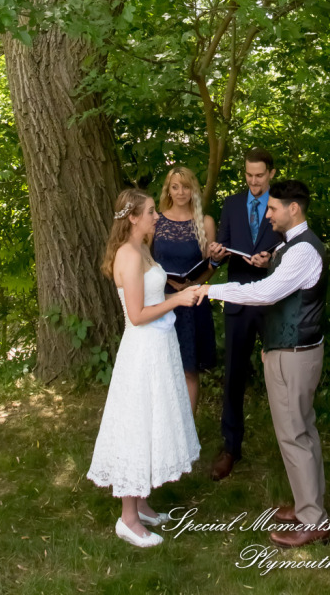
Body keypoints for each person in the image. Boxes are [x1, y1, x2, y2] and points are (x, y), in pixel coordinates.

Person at [199, 179, 330, 548]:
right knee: (303, 430)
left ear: (294, 209)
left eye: (273, 208)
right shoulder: (293, 247)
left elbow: (266, 293)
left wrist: (211, 290)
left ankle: (313, 520)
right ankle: (310, 504)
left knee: (294, 434)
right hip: (290, 350)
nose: (267, 213)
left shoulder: (303, 251)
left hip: (294, 355)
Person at [87, 188, 201, 549]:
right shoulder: (129, 254)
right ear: (133, 218)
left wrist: (182, 295)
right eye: (151, 212)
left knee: (153, 420)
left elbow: (152, 299)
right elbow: (136, 316)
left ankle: (143, 503)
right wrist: (179, 300)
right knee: (137, 423)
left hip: (159, 345)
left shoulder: (142, 250)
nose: (157, 217)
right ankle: (128, 518)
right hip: (142, 349)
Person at [206, 148, 282, 480]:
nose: (253, 181)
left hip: (272, 303)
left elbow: (296, 250)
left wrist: (272, 262)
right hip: (238, 302)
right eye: (249, 175)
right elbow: (220, 249)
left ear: (272, 174)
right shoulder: (232, 204)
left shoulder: (283, 206)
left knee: (280, 375)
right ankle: (230, 447)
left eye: (260, 176)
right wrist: (216, 253)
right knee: (234, 376)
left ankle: (288, 447)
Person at [152, 166, 217, 414]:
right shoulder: (156, 220)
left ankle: (188, 429)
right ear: (168, 189)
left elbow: (211, 266)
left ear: (193, 190)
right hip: (162, 299)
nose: (180, 192)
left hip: (192, 300)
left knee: (189, 368)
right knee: (163, 366)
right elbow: (145, 261)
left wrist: (193, 282)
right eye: (175, 186)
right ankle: (163, 423)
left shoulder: (205, 222)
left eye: (186, 187)